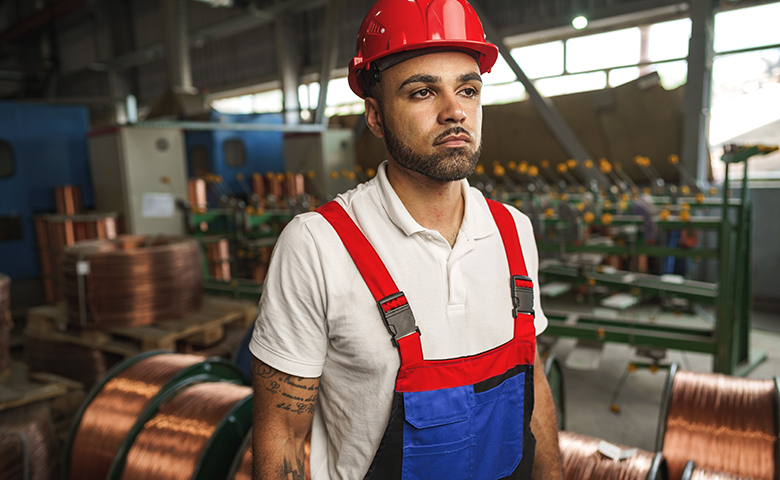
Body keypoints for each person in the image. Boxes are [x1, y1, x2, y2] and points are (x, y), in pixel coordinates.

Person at [250, 0, 564, 478]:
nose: (454, 111)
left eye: (468, 89)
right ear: (375, 117)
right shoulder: (319, 245)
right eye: (422, 93)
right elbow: (284, 438)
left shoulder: (513, 232)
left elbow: (534, 387)